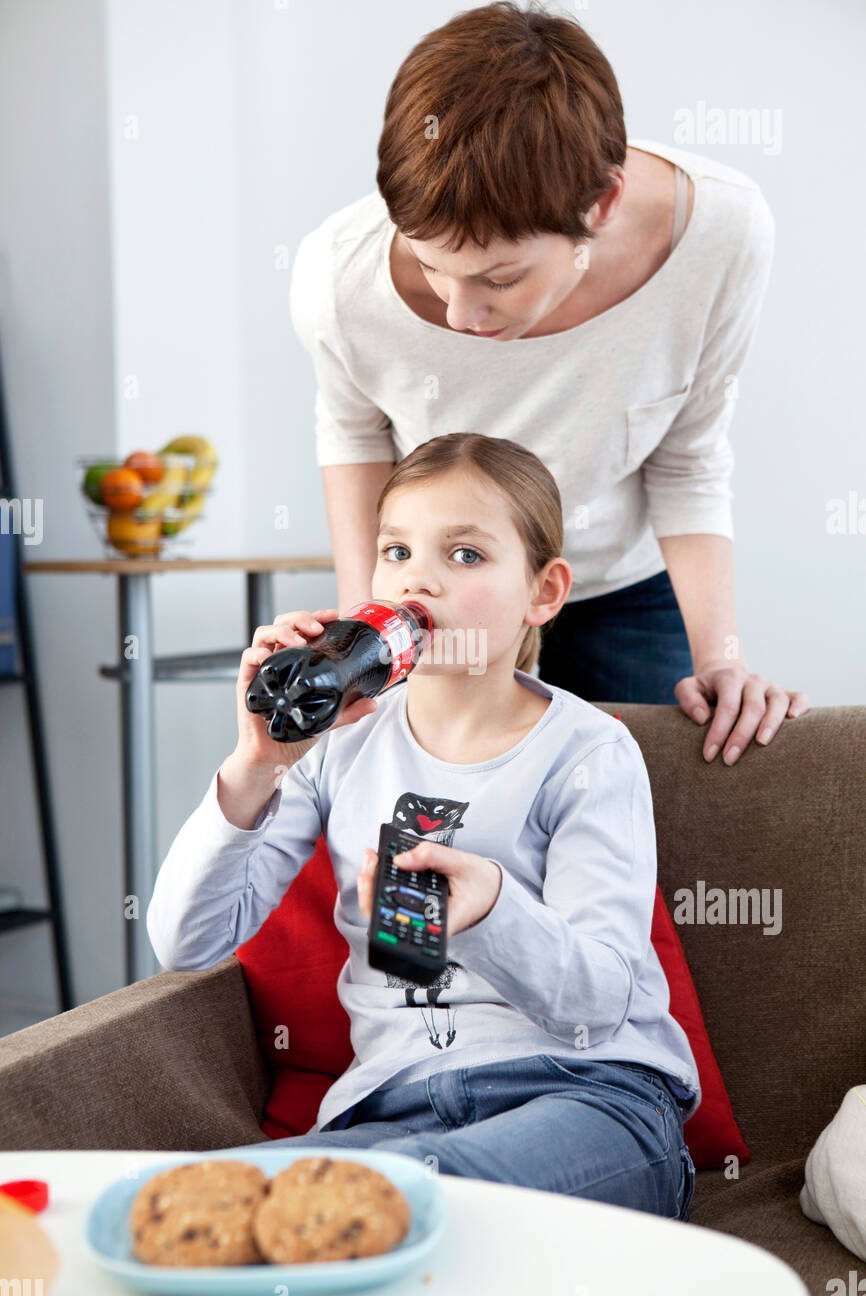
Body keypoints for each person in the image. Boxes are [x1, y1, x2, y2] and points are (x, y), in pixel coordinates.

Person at [146, 435, 697, 1221]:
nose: (419, 579)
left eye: (466, 554)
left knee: (400, 1197)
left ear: (544, 592)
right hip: (396, 1111)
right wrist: (256, 762)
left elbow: (596, 1003)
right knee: (204, 1207)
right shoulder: (339, 742)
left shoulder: (589, 753)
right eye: (397, 551)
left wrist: (491, 909)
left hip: (593, 1101)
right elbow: (185, 944)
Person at [290, 0, 808, 767]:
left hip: (624, 590)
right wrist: (367, 632)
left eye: (499, 278)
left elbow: (688, 457)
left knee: (653, 820)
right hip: (444, 595)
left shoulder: (721, 237)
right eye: (433, 268)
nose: (460, 313)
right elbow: (354, 436)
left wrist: (721, 660)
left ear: (601, 205)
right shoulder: (340, 276)